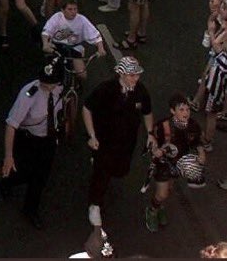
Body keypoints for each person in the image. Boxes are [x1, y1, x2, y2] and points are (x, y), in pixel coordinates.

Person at [83, 56, 153, 231]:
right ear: (121, 74)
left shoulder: (140, 91)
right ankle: (94, 204)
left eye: (137, 75)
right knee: (102, 174)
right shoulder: (106, 89)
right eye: (131, 75)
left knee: (121, 170)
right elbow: (87, 108)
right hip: (105, 142)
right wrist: (92, 135)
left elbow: (147, 112)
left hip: (127, 142)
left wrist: (150, 133)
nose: (135, 79)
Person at [0, 57, 66, 229]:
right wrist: (8, 156)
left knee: (41, 177)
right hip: (29, 139)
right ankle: (8, 181)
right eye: (45, 82)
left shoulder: (60, 88)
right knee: (25, 172)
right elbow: (12, 124)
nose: (47, 86)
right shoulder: (29, 93)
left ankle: (30, 209)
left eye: (51, 83)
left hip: (48, 140)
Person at [146, 93, 206, 232]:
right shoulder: (163, 126)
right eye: (181, 109)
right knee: (162, 194)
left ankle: (158, 206)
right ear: (172, 111)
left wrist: (201, 153)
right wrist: (155, 150)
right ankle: (152, 211)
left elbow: (197, 142)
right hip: (162, 164)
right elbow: (152, 141)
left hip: (178, 163)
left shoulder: (193, 126)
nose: (186, 113)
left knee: (169, 189)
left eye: (187, 109)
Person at [41, 0, 106, 82]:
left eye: (75, 9)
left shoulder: (82, 20)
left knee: (82, 75)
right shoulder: (57, 17)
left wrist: (101, 49)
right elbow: (46, 31)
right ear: (62, 10)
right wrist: (45, 44)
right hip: (57, 47)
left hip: (74, 48)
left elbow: (95, 35)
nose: (73, 12)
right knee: (51, 73)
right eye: (70, 9)